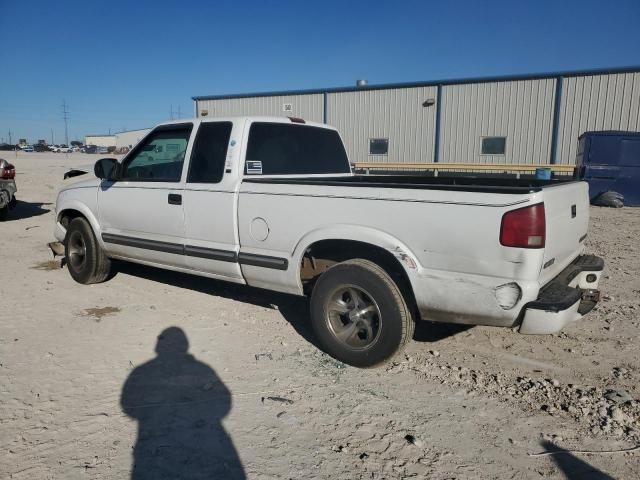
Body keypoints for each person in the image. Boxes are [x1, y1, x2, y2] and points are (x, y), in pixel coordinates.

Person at [121, 327, 245, 479]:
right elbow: (225, 401)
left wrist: (146, 416)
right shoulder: (202, 368)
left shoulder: (143, 370)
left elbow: (127, 404)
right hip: (204, 435)